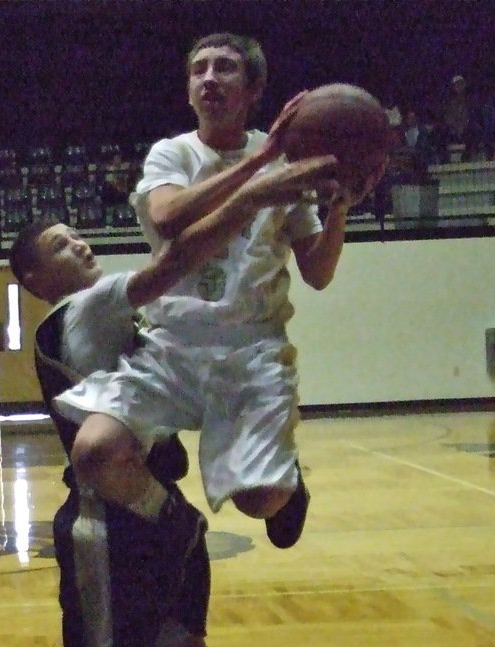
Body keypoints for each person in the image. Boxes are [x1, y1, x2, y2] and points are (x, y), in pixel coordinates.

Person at [0, 145, 338, 647]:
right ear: (33, 280)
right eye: (59, 244)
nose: (78, 242)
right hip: (113, 521)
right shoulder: (72, 316)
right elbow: (175, 261)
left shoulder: (131, 318)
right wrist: (256, 195)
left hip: (159, 505)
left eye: (74, 233)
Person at [54, 32, 381, 557]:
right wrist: (262, 163)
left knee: (259, 502)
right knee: (92, 453)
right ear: (188, 91)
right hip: (171, 345)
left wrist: (341, 206)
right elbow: (168, 217)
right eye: (199, 69)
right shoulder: (174, 153)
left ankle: (285, 481)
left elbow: (317, 272)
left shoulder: (287, 163)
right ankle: (174, 520)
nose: (209, 78)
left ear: (253, 91)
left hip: (252, 351)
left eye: (225, 68)